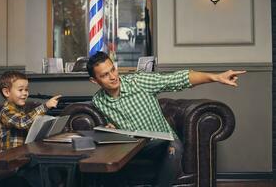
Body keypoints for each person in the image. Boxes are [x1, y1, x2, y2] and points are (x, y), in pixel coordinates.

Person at [86, 51, 246, 187]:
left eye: (113, 70)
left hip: (162, 143)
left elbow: (177, 79)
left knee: (173, 146)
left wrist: (215, 77)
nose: (113, 77)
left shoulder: (138, 82)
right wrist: (111, 129)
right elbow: (113, 125)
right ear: (94, 81)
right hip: (133, 149)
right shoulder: (98, 101)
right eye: (105, 75)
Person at [0, 70, 62, 187]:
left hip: (23, 157)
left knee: (50, 168)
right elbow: (23, 123)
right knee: (37, 173)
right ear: (7, 92)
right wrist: (45, 106)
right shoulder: (5, 112)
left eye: (26, 90)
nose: (25, 93)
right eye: (20, 90)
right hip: (10, 160)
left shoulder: (22, 111)